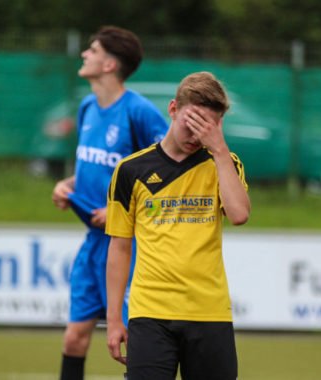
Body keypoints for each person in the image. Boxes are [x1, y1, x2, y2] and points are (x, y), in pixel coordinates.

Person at [104, 71, 250, 379]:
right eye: (191, 122)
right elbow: (119, 247)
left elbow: (239, 215)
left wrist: (220, 149)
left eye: (206, 126)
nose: (196, 135)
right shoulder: (130, 171)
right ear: (173, 109)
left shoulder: (224, 163)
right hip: (150, 315)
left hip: (209, 313)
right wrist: (114, 318)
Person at [51, 26, 169, 380]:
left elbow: (168, 173)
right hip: (92, 244)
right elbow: (96, 167)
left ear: (109, 64)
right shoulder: (88, 106)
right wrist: (67, 185)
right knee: (74, 340)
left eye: (93, 50)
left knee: (136, 341)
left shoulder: (140, 112)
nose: (85, 54)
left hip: (127, 245)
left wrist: (124, 213)